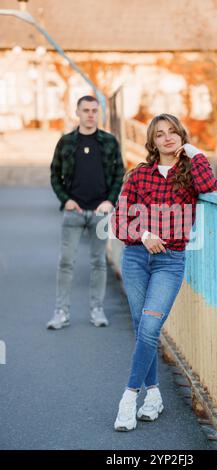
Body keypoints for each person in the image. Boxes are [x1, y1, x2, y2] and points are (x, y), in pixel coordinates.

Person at [112, 113, 217, 431]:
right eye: (160, 134)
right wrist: (144, 233)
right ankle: (155, 395)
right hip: (135, 258)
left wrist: (195, 152)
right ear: (152, 141)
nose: (167, 138)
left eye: (173, 132)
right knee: (141, 326)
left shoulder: (189, 174)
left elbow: (209, 187)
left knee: (148, 328)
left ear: (182, 136)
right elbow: (119, 221)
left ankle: (129, 398)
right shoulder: (138, 175)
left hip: (170, 262)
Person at [47, 95, 124, 330]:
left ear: (97, 113)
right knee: (66, 262)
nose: (90, 114)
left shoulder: (109, 142)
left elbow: (119, 174)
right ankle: (61, 312)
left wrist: (109, 202)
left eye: (94, 110)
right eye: (86, 110)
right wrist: (65, 200)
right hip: (74, 212)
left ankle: (96, 310)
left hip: (100, 212)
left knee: (99, 262)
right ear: (77, 112)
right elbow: (54, 174)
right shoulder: (66, 142)